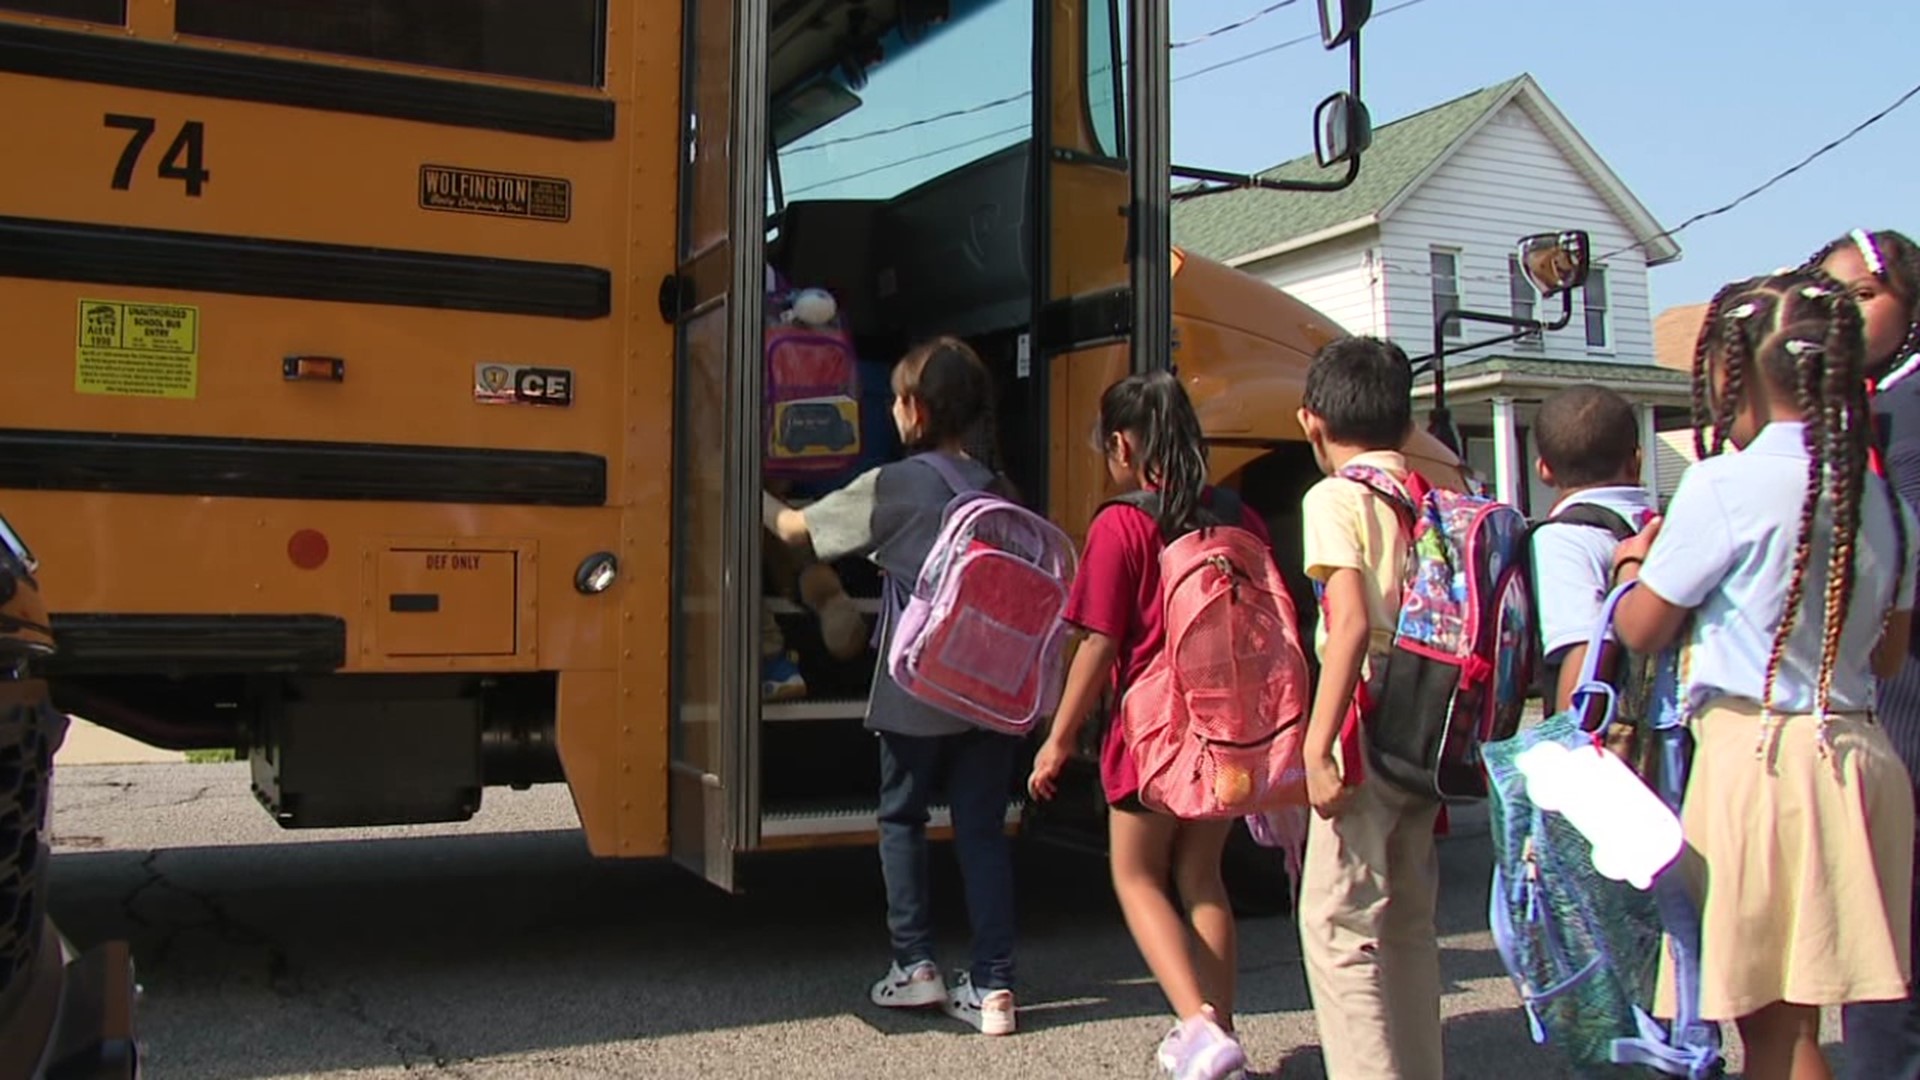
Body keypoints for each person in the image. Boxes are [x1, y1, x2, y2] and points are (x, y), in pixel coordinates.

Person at [1610, 268, 1918, 1080]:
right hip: (1858, 750)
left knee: (1776, 1031)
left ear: (1731, 371)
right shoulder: (1883, 502)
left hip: (1763, 760)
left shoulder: (1723, 485)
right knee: (1813, 1016)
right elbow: (1889, 655)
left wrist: (1636, 566)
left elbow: (1644, 628)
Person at [763, 336, 1021, 1036]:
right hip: (993, 686)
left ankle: (916, 966)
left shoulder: (897, 484)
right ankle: (993, 986)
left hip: (920, 683)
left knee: (903, 818)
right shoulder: (1000, 489)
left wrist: (744, 483)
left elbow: (795, 532)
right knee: (983, 832)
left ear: (913, 409)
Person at [1025, 370, 1262, 1080]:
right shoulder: (1239, 519)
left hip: (1156, 732)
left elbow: (1098, 643)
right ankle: (1222, 1028)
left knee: (1135, 875)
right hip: (1230, 726)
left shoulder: (1121, 523)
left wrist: (1058, 740)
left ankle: (1199, 1031)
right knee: (1202, 875)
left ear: (1124, 445)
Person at [1293, 336, 1444, 1080]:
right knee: (1408, 923)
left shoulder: (1335, 497)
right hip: (1434, 724)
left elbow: (1349, 622)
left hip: (1372, 716)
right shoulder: (1430, 496)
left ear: (1311, 422)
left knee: (1337, 925)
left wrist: (1316, 746)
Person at [1809, 228, 1920, 1080]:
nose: (1839, 313)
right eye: (1828, 296)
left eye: (1861, 295)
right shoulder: (1834, 407)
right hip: (1863, 702)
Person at [1529, 385, 1659, 713]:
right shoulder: (1658, 527)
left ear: (1543, 469)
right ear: (1636, 462)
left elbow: (1586, 646)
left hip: (1608, 743)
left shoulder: (1564, 538)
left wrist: (1569, 747)